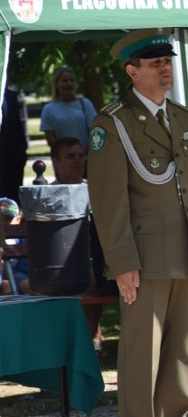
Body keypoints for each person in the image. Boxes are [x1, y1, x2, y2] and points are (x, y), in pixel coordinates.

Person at [87, 28, 188, 417]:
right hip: (143, 256)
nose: (166, 67)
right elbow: (109, 201)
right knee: (143, 354)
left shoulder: (179, 116)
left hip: (187, 249)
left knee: (182, 350)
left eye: (168, 60)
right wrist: (122, 263)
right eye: (155, 62)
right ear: (132, 71)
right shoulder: (112, 123)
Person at [49, 136, 107, 353]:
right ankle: (86, 341)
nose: (77, 161)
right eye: (70, 156)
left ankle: (93, 339)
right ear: (55, 161)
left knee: (92, 273)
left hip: (95, 260)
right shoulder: (48, 195)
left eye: (80, 156)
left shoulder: (95, 190)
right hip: (59, 263)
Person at [39, 67, 97, 150]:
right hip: (63, 160)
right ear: (56, 84)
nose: (69, 83)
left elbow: (95, 131)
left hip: (87, 158)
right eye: (65, 80)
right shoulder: (48, 109)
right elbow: (50, 139)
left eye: (72, 80)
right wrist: (67, 154)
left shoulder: (85, 104)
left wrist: (81, 152)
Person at [0, 82, 29, 204]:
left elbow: (18, 126)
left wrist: (21, 155)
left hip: (11, 162)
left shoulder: (10, 96)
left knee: (10, 205)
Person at [0, 197, 30, 295]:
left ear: (17, 220)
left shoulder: (21, 240)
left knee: (27, 285)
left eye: (7, 219)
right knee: (6, 285)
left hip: (17, 274)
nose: (2, 223)